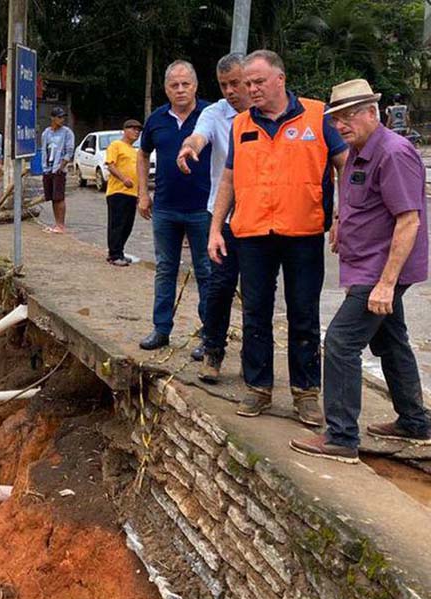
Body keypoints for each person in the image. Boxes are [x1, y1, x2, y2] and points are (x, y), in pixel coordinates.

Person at [291, 79, 431, 463]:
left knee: (340, 343)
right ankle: (416, 423)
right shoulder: (359, 149)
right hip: (368, 262)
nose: (341, 125)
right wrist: (341, 220)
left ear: (372, 112)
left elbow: (408, 221)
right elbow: (358, 195)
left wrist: (386, 285)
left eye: (349, 115)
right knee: (390, 340)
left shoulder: (393, 153)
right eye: (336, 118)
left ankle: (341, 437)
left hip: (381, 269)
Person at [209, 50, 348, 425]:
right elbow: (228, 179)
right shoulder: (241, 125)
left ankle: (305, 393)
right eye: (247, 83)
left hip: (302, 232)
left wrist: (344, 213)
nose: (250, 89)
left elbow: (346, 165)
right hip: (252, 233)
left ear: (280, 80)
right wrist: (215, 229)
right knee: (256, 313)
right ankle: (258, 388)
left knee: (303, 313)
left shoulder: (318, 117)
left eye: (257, 82)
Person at [176, 53, 252, 382]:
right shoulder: (214, 113)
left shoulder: (266, 114)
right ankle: (213, 351)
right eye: (224, 85)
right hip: (221, 216)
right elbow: (200, 134)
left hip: (261, 217)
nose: (231, 91)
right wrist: (189, 146)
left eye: (236, 83)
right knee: (219, 288)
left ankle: (255, 360)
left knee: (257, 292)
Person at [137, 60, 212, 356]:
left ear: (195, 85)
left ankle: (210, 335)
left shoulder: (210, 115)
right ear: (166, 88)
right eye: (174, 85)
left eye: (186, 84)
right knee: (165, 269)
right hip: (165, 208)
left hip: (203, 209)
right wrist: (143, 194)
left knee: (207, 272)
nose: (180, 90)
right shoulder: (156, 119)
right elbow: (142, 155)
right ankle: (161, 329)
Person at [104, 119, 142, 266]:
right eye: (133, 129)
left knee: (127, 225)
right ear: (125, 130)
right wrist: (123, 178)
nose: (136, 132)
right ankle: (114, 254)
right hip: (118, 191)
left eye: (138, 130)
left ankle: (119, 251)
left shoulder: (134, 151)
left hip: (132, 193)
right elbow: (110, 165)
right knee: (117, 223)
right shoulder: (116, 145)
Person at [41, 106, 75, 233]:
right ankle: (56, 224)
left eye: (63, 117)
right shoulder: (46, 133)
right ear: (53, 118)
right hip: (48, 167)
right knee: (52, 197)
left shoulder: (67, 132)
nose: (61, 120)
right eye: (59, 117)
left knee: (59, 197)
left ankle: (61, 225)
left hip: (59, 167)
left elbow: (69, 150)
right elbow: (44, 149)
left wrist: (62, 166)